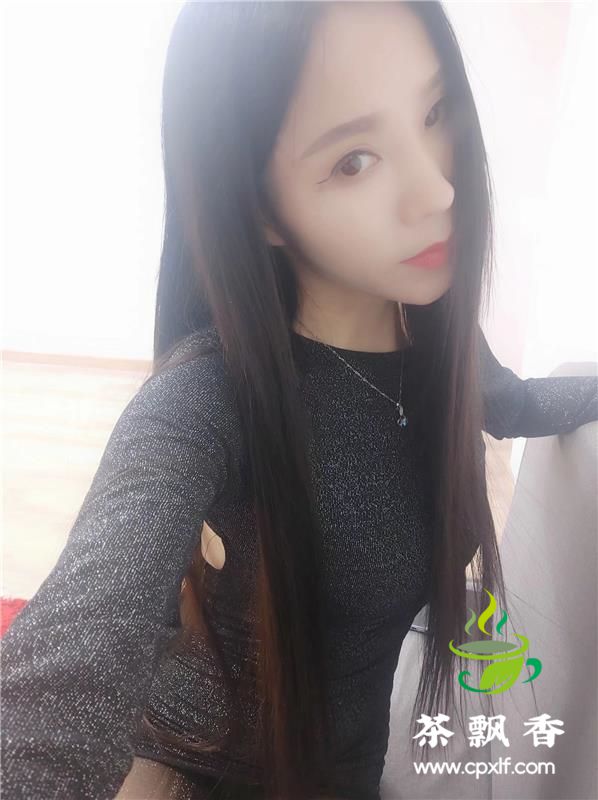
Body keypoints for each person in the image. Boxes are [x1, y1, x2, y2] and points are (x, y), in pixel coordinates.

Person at [2, 2, 597, 799]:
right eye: (354, 160)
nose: (438, 190)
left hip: (347, 769)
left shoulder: (433, 340)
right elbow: (74, 653)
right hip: (200, 773)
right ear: (261, 210)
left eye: (433, 112)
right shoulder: (208, 397)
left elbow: (516, 403)